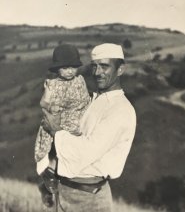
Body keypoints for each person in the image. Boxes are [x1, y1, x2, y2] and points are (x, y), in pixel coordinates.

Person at [41, 43, 137, 212]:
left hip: (90, 199)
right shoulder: (93, 100)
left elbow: (86, 151)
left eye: (105, 66)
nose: (97, 72)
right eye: (94, 66)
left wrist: (55, 131)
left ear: (120, 69)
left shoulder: (120, 110)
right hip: (64, 191)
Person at [35, 44, 90, 207]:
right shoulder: (52, 84)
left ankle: (65, 185)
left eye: (73, 67)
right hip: (59, 120)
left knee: (73, 156)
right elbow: (43, 102)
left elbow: (85, 99)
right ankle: (48, 181)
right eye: (65, 68)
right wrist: (51, 106)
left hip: (77, 121)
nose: (70, 71)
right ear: (57, 68)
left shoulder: (80, 81)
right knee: (56, 152)